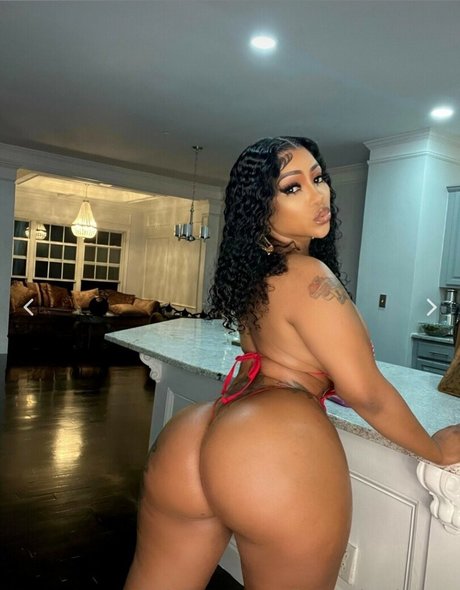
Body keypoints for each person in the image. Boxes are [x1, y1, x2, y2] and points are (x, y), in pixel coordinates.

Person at [123, 137, 460, 590]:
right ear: (261, 208)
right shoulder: (309, 276)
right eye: (293, 187)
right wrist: (435, 451)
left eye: (318, 178)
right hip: (275, 444)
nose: (319, 195)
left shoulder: (258, 277)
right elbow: (366, 393)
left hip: (198, 431)